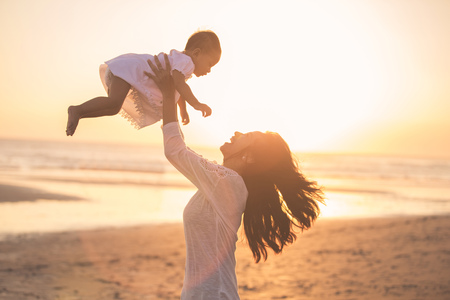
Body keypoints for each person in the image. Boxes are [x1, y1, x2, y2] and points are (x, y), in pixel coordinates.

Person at [147, 55, 325, 299]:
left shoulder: (228, 183)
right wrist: (177, 101)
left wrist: (169, 95)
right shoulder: (224, 182)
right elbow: (184, 153)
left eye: (245, 136)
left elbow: (176, 151)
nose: (236, 133)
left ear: (250, 158)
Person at [66, 30, 221, 136]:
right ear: (197, 53)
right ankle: (77, 110)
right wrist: (197, 104)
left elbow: (177, 88)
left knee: (114, 107)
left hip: (126, 68)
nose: (209, 70)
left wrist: (183, 110)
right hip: (129, 69)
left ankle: (80, 113)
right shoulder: (187, 63)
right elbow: (181, 85)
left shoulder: (181, 62)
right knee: (113, 102)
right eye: (210, 64)